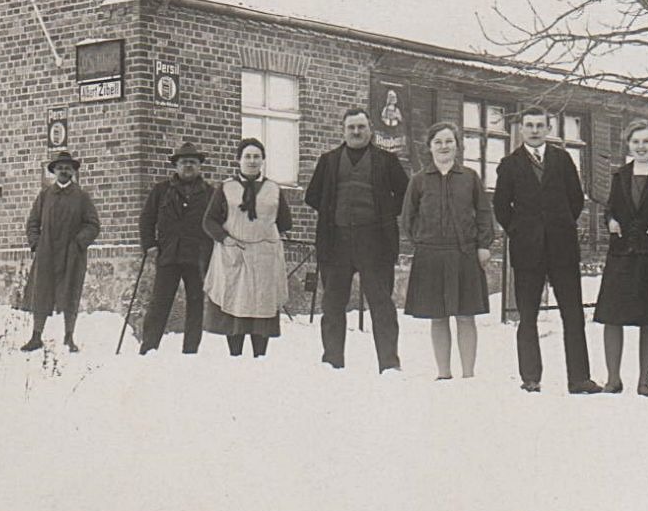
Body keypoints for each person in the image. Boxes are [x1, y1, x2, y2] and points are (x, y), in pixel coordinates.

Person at [493, 105, 603, 395]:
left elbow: (576, 199)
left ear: (548, 128)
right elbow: (501, 208)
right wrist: (520, 230)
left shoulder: (562, 159)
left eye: (540, 125)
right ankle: (531, 377)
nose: (534, 130)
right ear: (521, 129)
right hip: (527, 249)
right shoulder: (509, 164)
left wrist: (561, 223)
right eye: (529, 125)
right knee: (527, 315)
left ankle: (579, 378)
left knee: (573, 313)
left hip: (562, 247)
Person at [303, 107, 410, 372]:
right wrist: (332, 212)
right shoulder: (328, 161)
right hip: (336, 241)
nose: (356, 132)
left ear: (370, 130)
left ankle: (389, 365)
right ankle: (332, 362)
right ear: (343, 130)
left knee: (381, 304)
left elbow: (405, 195)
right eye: (351, 127)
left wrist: (383, 212)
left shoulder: (386, 160)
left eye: (361, 127)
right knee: (332, 305)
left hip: (375, 242)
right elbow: (312, 196)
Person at [593, 121, 648, 397]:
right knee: (612, 316)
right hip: (622, 253)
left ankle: (644, 381)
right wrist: (610, 221)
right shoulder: (620, 174)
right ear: (629, 145)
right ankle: (613, 379)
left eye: (646, 141)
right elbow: (610, 209)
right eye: (636, 142)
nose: (641, 147)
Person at [401, 122, 494, 379]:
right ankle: (443, 373)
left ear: (457, 146)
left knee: (466, 315)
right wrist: (423, 240)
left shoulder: (470, 178)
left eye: (449, 141)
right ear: (430, 147)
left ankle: (468, 374)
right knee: (438, 315)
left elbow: (485, 213)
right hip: (431, 255)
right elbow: (408, 217)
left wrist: (483, 245)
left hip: (464, 253)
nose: (444, 146)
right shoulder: (419, 181)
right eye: (438, 142)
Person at [205, 138, 293, 358]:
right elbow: (209, 221)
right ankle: (235, 355)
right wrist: (226, 239)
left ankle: (260, 357)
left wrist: (263, 233)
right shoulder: (226, 187)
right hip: (234, 252)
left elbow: (285, 222)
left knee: (262, 302)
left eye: (256, 156)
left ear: (263, 160)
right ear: (238, 160)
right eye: (247, 156)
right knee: (236, 300)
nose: (252, 161)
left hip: (264, 255)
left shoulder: (273, 188)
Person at [138, 140, 217, 354]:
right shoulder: (161, 191)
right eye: (183, 162)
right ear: (176, 166)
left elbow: (218, 223)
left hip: (197, 257)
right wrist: (150, 246)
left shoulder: (210, 194)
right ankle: (149, 347)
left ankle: (191, 350)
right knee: (159, 304)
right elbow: (146, 220)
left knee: (196, 305)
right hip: (168, 255)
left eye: (192, 162)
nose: (188, 166)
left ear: (199, 166)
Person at [18, 150, 101, 352]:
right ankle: (36, 336)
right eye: (60, 167)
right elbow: (32, 223)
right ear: (54, 171)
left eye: (68, 168)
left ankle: (69, 337)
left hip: (71, 254)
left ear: (73, 171)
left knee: (70, 293)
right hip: (47, 253)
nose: (64, 171)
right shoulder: (45, 196)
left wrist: (79, 242)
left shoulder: (81, 197)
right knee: (41, 293)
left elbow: (93, 224)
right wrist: (37, 244)